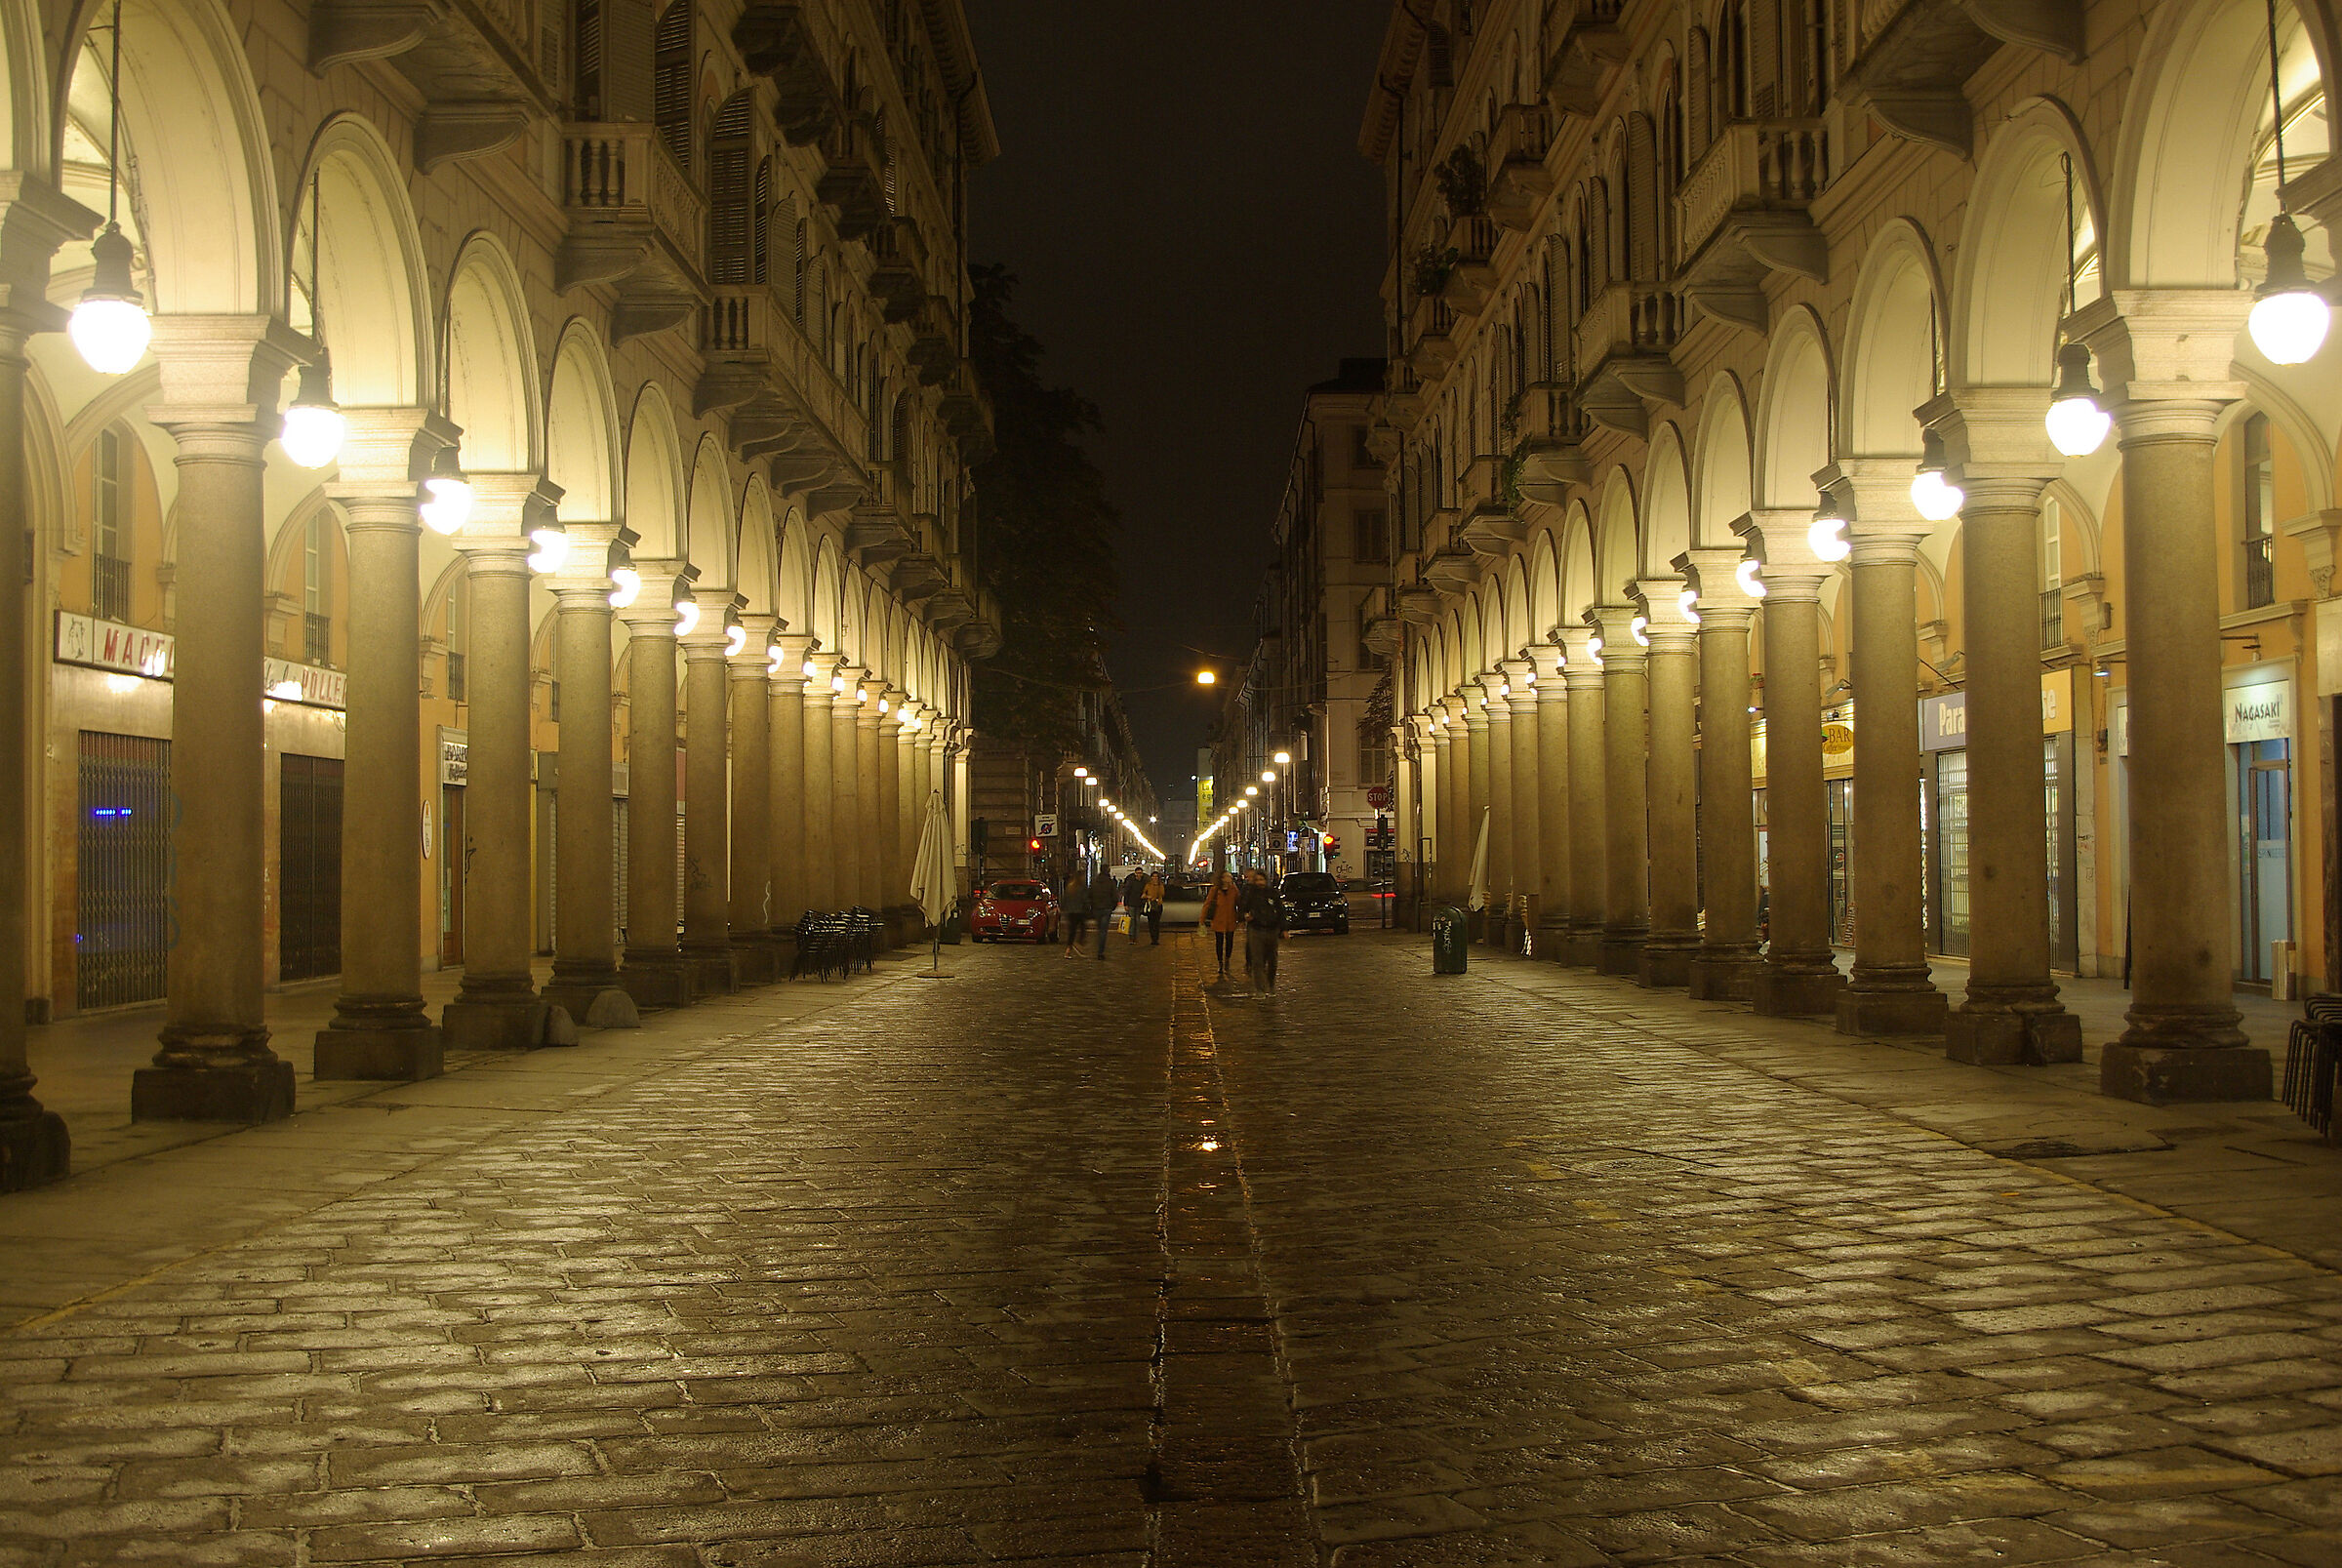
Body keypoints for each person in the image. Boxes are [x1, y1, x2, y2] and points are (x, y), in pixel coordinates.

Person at [1237, 867, 1282, 992]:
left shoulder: (1272, 893)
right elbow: (1243, 907)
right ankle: (1260, 989)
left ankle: (1270, 983)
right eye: (1257, 880)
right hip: (1255, 929)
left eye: (1261, 879)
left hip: (1271, 929)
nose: (1259, 882)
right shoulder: (1250, 893)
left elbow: (1280, 910)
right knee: (1257, 960)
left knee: (1272, 960)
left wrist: (1284, 929)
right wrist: (1244, 917)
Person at [1201, 871, 1239, 978]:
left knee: (1229, 941)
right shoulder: (1215, 890)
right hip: (1218, 919)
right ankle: (1220, 962)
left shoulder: (1234, 889)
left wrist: (1241, 918)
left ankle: (1227, 959)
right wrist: (1202, 920)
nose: (1229, 879)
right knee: (1219, 942)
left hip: (1230, 919)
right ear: (1222, 878)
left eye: (1230, 877)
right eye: (1227, 877)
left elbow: (1239, 903)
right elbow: (1207, 904)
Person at [1059, 860, 1093, 959]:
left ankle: (1068, 951)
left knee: (1072, 931)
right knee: (1082, 929)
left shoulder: (1070, 887)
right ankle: (1079, 944)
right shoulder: (1082, 888)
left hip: (1071, 912)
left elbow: (1064, 899)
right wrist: (1088, 908)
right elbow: (1085, 899)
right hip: (1079, 912)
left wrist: (1063, 910)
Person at [1089, 863, 1122, 959]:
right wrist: (1112, 907)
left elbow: (1090, 894)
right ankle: (1100, 951)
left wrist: (1092, 906)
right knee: (1103, 930)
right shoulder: (1110, 882)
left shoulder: (1094, 882)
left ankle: (1099, 947)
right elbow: (1115, 896)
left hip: (1096, 909)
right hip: (1106, 908)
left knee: (1100, 929)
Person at [1142, 868, 1165, 945]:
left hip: (1158, 905)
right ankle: (1153, 938)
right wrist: (1148, 896)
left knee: (1157, 923)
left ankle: (1156, 938)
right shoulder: (1148, 885)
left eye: (1156, 877)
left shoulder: (1160, 885)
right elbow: (1143, 895)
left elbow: (1162, 894)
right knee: (1151, 923)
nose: (1155, 878)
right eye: (1153, 876)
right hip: (1150, 905)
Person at [1123, 868, 1147, 944]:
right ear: (1135, 874)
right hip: (1131, 904)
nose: (1139, 875)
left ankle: (1135, 937)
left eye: (1140, 873)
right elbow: (1127, 893)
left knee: (1137, 921)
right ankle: (1131, 937)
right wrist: (1126, 904)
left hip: (1139, 904)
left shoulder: (1143, 883)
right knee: (1132, 920)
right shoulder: (1131, 882)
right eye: (1137, 873)